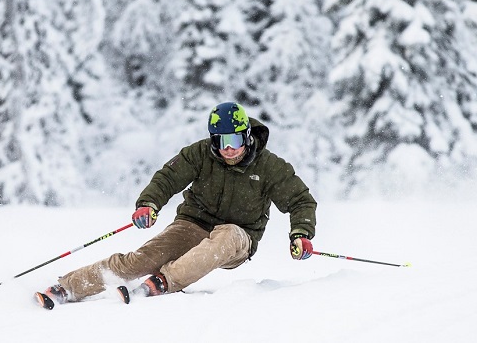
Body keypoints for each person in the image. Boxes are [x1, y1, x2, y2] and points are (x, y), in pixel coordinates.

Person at [36, 102, 317, 306]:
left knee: (227, 235)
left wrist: (301, 234)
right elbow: (168, 177)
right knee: (141, 260)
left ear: (246, 136)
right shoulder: (200, 154)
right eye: (220, 141)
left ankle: (163, 282)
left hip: (238, 238)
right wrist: (149, 203)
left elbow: (300, 200)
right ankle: (68, 287)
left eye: (234, 140)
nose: (228, 149)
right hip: (193, 224)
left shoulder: (269, 166)